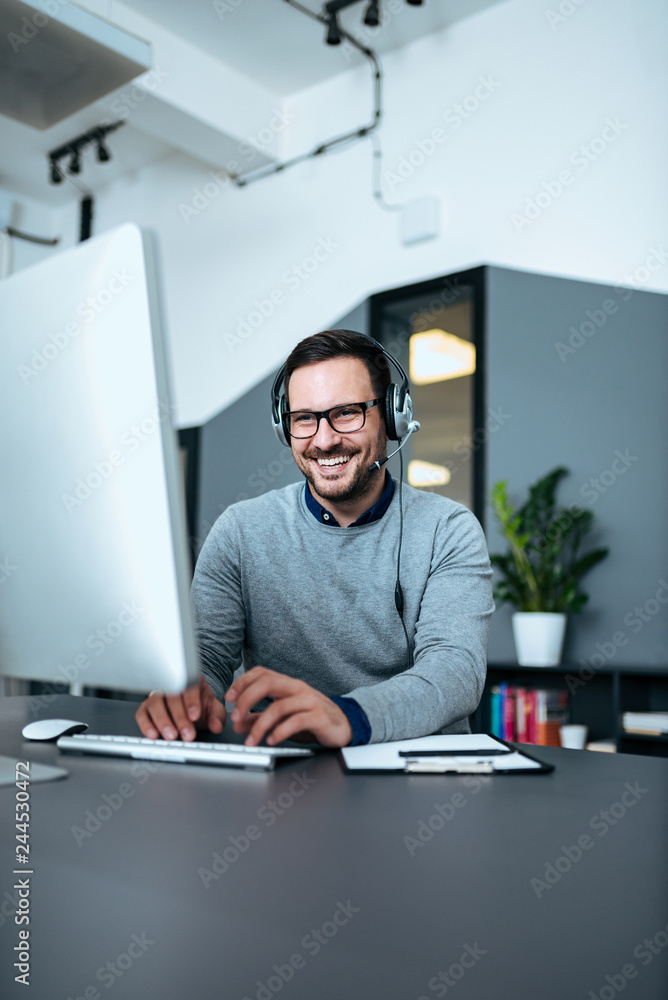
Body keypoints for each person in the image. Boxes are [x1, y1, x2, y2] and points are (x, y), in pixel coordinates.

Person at [135, 330, 494, 748]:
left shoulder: (448, 529)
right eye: (304, 418)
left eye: (346, 413)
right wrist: (183, 697)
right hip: (285, 776)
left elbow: (454, 671)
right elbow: (206, 659)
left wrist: (347, 716)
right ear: (283, 427)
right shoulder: (239, 531)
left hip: (415, 779)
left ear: (393, 417)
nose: (324, 440)